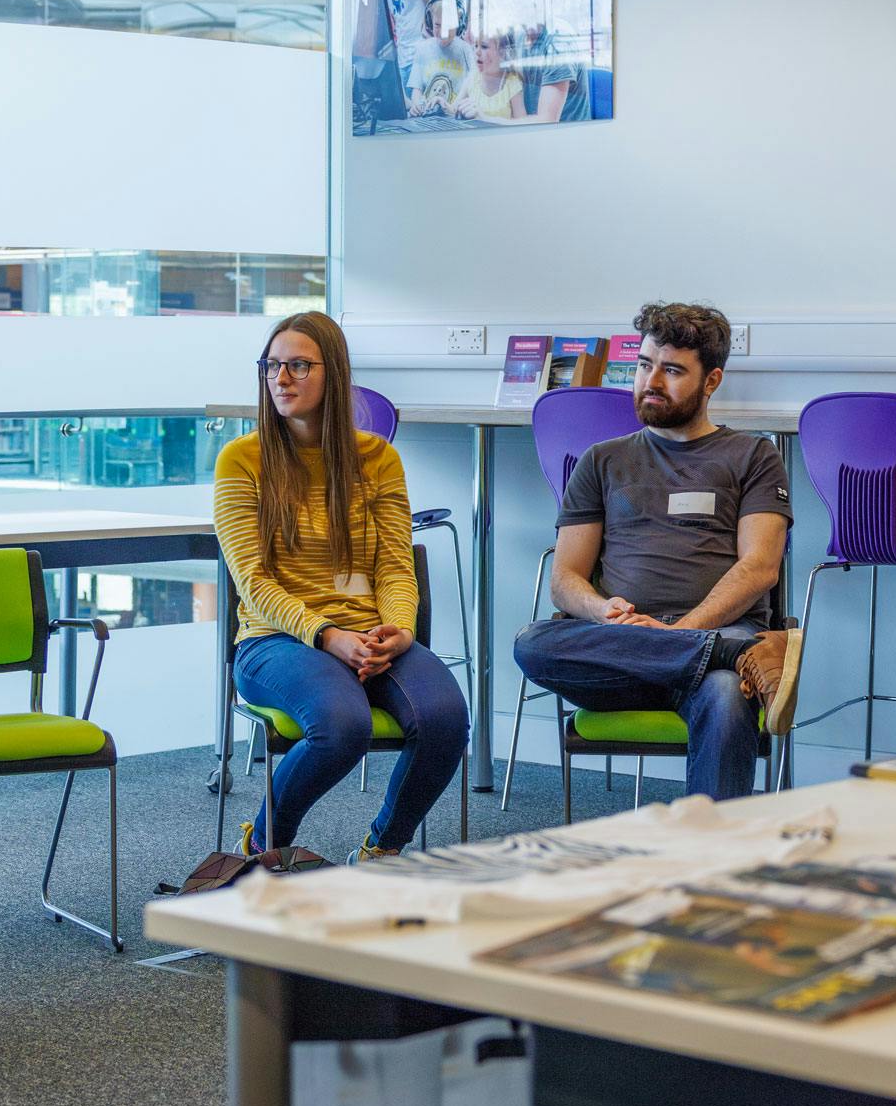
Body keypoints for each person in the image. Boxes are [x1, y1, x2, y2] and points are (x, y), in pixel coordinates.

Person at [510, 302, 800, 801]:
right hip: (624, 651)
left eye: (671, 370)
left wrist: (677, 634)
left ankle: (715, 855)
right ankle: (736, 654)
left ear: (711, 381)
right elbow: (566, 579)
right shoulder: (602, 460)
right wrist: (603, 610)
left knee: (729, 694)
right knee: (531, 642)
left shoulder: (753, 457)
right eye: (645, 365)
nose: (651, 382)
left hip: (710, 638)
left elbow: (759, 569)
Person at [213, 312, 467, 862]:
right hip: (275, 641)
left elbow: (395, 566)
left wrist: (396, 630)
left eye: (298, 366)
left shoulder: (377, 458)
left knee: (446, 720)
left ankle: (383, 850)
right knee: (342, 725)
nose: (281, 378)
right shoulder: (242, 459)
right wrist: (327, 634)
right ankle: (263, 843)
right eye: (272, 366)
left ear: (335, 374)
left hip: (370, 634)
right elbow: (252, 584)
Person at [463, 32, 526, 123]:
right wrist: (444, 106)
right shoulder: (473, 77)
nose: (477, 52)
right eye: (476, 46)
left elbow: (523, 124)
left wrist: (484, 118)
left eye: (484, 47)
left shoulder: (511, 83)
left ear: (502, 53)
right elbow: (453, 110)